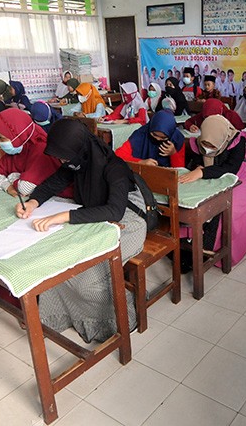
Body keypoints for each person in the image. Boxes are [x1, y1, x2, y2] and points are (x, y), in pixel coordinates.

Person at [17, 119, 146, 343]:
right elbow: (53, 183)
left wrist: (62, 217)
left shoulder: (113, 166)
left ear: (78, 148)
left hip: (129, 221)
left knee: (86, 280)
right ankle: (66, 316)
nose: (62, 161)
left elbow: (115, 211)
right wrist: (33, 202)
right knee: (60, 262)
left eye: (64, 157)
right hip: (98, 218)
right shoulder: (79, 161)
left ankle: (122, 317)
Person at [180, 115, 246, 267]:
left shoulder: (237, 141)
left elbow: (231, 168)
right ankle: (193, 245)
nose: (208, 149)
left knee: (229, 207)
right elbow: (199, 161)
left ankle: (219, 250)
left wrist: (203, 172)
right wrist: (199, 169)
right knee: (196, 201)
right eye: (205, 144)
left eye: (213, 147)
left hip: (239, 176)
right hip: (212, 175)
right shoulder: (201, 141)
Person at [0, 108, 71, 198]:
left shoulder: (41, 148)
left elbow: (25, 188)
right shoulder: (17, 149)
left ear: (18, 134)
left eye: (1, 138)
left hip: (62, 200)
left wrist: (12, 177)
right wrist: (8, 187)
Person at [116, 110, 185, 167]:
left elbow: (179, 168)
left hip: (167, 176)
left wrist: (173, 153)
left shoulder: (176, 139)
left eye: (163, 137)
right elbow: (119, 155)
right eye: (154, 134)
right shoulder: (141, 134)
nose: (158, 139)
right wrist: (140, 162)